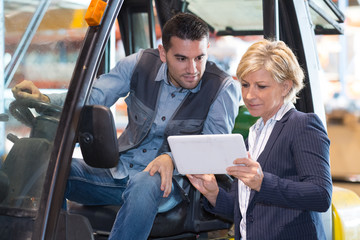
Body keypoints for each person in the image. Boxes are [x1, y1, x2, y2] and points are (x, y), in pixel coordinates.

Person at [12, 13, 241, 239]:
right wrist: (44, 99)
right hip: (119, 172)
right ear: (163, 53)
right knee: (52, 168)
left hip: (170, 186)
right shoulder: (139, 64)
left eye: (199, 58)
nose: (192, 69)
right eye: (181, 58)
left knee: (145, 180)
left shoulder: (221, 88)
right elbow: (93, 96)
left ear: (207, 49)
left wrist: (172, 158)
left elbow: (212, 150)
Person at [187, 39, 332, 240]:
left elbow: (321, 195)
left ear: (285, 86)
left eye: (261, 86)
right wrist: (213, 193)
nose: (249, 95)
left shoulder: (302, 125)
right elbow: (248, 213)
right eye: (245, 85)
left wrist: (263, 183)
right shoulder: (253, 134)